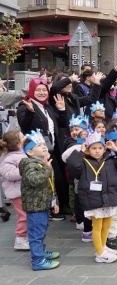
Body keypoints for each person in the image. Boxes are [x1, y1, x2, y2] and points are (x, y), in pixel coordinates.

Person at [66, 130, 117, 263]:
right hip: (93, 199)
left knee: (107, 224)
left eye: (100, 148)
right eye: (93, 148)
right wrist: (80, 152)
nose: (97, 151)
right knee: (97, 226)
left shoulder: (110, 160)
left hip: (109, 198)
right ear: (88, 150)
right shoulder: (83, 162)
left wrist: (116, 149)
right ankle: (99, 252)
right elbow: (72, 166)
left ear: (105, 148)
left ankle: (103, 246)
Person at [17, 78, 69, 220]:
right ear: (32, 90)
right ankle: (52, 209)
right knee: (50, 179)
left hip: (52, 148)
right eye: (38, 90)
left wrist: (62, 110)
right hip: (37, 152)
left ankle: (62, 206)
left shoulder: (47, 107)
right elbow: (25, 125)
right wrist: (30, 112)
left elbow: (62, 123)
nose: (41, 92)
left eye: (44, 90)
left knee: (60, 178)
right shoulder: (24, 105)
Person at [19, 130, 61, 270]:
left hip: (43, 204)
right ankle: (37, 260)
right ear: (30, 152)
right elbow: (34, 180)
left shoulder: (43, 163)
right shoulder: (28, 164)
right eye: (38, 145)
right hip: (35, 206)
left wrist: (54, 202)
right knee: (36, 233)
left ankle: (41, 252)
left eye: (43, 144)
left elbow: (51, 185)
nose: (43, 146)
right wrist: (48, 169)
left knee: (41, 230)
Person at [0, 130, 29, 250]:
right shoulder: (8, 158)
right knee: (24, 215)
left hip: (22, 190)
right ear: (17, 144)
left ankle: (24, 236)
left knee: (26, 214)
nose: (26, 137)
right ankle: (20, 238)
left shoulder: (20, 153)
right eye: (23, 137)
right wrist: (26, 169)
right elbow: (9, 174)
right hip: (16, 192)